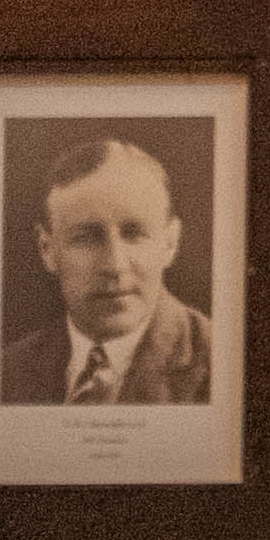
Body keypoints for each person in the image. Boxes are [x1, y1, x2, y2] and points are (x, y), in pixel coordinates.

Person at [18, 131, 213, 411]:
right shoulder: (10, 370)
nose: (114, 265)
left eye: (135, 234)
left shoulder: (221, 363)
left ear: (170, 244)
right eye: (86, 238)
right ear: (47, 249)